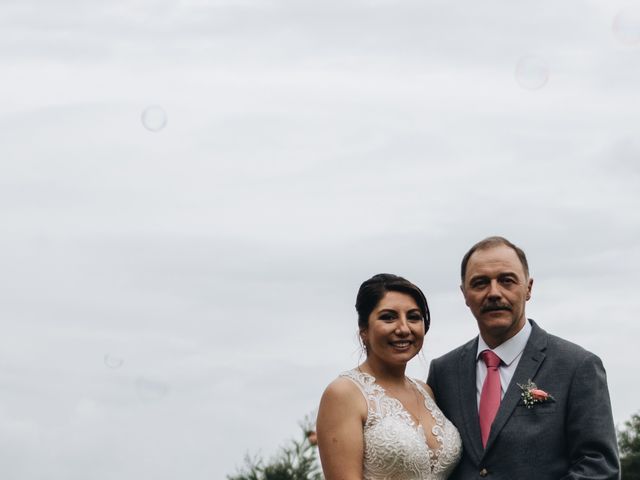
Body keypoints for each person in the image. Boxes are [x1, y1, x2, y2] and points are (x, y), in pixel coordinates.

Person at [427, 236, 620, 480]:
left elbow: (599, 468)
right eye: (480, 283)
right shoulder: (443, 372)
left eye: (507, 281)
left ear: (528, 288)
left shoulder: (578, 366)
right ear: (464, 294)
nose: (494, 292)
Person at [316, 273, 462, 480]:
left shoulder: (427, 391)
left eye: (413, 317)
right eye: (388, 317)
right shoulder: (343, 394)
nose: (403, 329)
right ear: (364, 330)